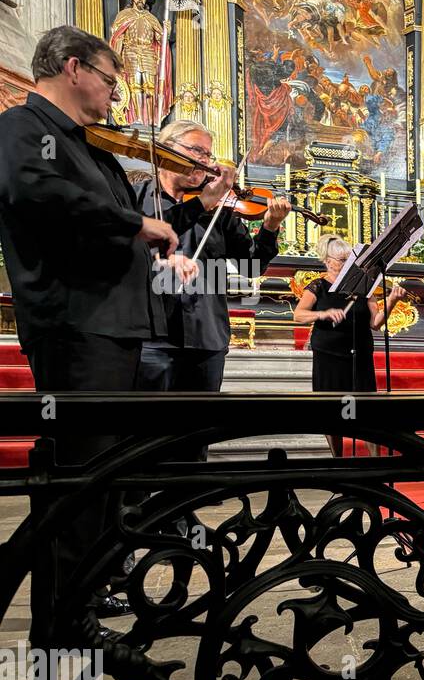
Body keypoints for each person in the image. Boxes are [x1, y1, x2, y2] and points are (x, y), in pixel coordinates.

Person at [0, 25, 181, 631]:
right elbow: (35, 191)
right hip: (77, 323)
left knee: (103, 477)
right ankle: (63, 621)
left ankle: (89, 591)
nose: (115, 94)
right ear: (73, 68)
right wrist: (133, 223)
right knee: (78, 477)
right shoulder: (26, 129)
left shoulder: (88, 144)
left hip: (114, 323)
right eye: (110, 79)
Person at [136, 120, 290, 394]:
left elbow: (253, 265)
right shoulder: (136, 198)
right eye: (197, 151)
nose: (205, 161)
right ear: (166, 149)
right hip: (151, 339)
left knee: (200, 431)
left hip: (205, 338)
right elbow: (121, 249)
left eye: (209, 154)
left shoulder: (220, 211)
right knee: (148, 431)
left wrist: (270, 227)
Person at [293, 234, 406, 457]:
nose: (347, 264)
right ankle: (338, 460)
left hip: (360, 354)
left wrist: (392, 301)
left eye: (349, 259)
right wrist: (323, 314)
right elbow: (298, 315)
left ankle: (376, 462)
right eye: (342, 259)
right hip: (329, 355)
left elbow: (375, 323)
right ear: (327, 260)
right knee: (332, 410)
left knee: (366, 412)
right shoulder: (318, 286)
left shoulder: (363, 287)